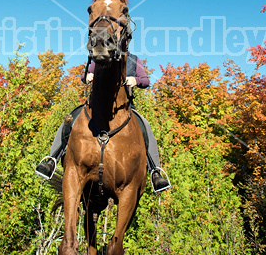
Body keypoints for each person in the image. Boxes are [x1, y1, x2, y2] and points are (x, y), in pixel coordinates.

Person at [35, 52, 171, 194]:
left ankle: (155, 171)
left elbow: (146, 81)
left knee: (145, 126)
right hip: (96, 106)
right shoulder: (100, 58)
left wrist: (136, 80)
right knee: (70, 119)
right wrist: (86, 77)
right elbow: (84, 75)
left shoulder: (133, 60)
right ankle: (52, 159)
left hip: (125, 108)